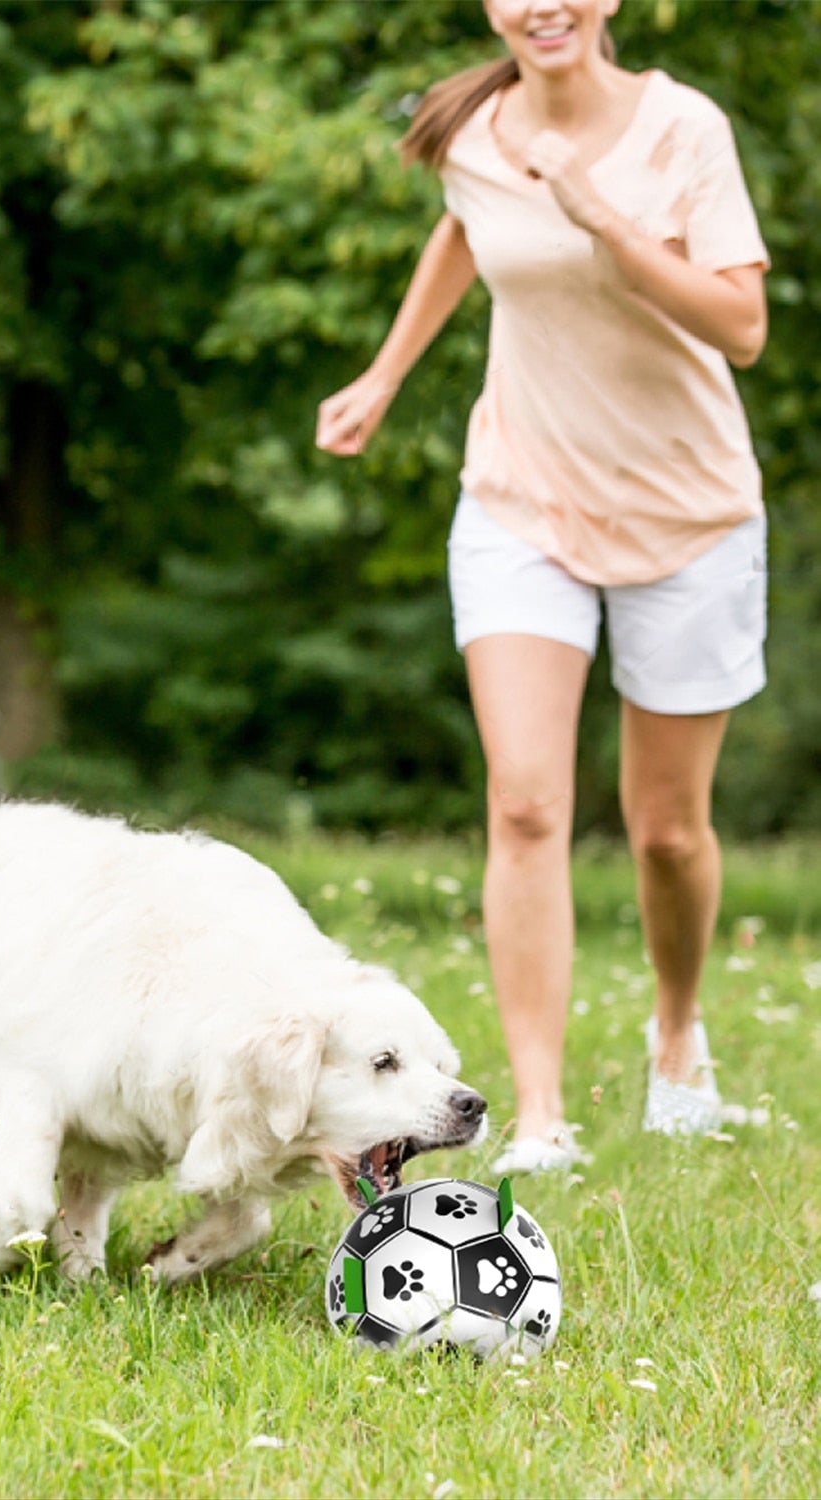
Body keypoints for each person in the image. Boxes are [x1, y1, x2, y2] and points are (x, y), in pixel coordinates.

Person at [316, 0, 769, 1172]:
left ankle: (678, 1039)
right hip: (523, 500)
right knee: (524, 803)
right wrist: (384, 375)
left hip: (689, 513)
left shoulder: (682, 130)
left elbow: (745, 323)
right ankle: (540, 1117)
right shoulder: (475, 130)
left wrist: (602, 215)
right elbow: (466, 230)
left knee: (667, 831)